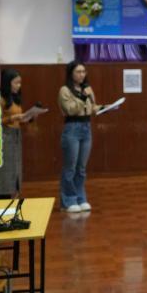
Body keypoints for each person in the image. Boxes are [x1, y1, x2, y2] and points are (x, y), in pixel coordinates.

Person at [57, 60, 99, 213]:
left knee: (81, 168)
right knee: (70, 167)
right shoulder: (65, 90)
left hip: (86, 127)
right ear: (71, 73)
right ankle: (68, 201)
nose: (82, 75)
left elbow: (92, 107)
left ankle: (81, 198)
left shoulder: (86, 88)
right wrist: (82, 97)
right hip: (72, 128)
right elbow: (69, 110)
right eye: (78, 72)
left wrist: (105, 108)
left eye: (83, 71)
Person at [0, 68, 29, 199]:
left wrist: (26, 118)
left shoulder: (15, 99)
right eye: (16, 83)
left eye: (20, 83)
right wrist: (11, 119)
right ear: (8, 83)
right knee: (4, 172)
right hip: (4, 138)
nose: (19, 86)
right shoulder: (0, 100)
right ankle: (1, 197)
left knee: (15, 169)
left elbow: (17, 118)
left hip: (15, 137)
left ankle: (13, 195)